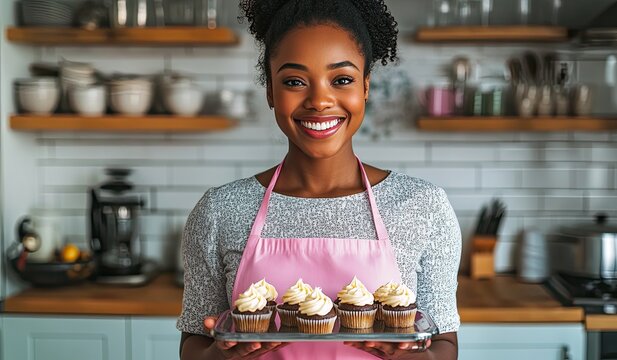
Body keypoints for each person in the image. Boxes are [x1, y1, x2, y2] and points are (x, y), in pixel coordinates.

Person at [177, 0, 461, 359]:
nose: (319, 101)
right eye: (294, 81)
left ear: (366, 87)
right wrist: (218, 356)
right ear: (270, 92)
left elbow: (444, 345)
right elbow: (193, 344)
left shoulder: (422, 206)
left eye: (341, 80)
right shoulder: (219, 211)